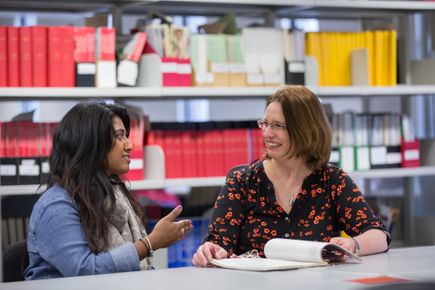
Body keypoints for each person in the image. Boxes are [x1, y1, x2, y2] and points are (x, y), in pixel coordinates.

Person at [192, 85, 390, 266]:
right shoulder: (242, 181)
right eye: (265, 123)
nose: (267, 133)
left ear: (306, 131)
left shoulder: (332, 180)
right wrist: (211, 250)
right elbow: (218, 242)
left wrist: (353, 244)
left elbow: (378, 236)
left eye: (278, 126)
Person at [25, 101, 192, 279]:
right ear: (91, 143)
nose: (129, 145)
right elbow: (84, 270)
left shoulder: (113, 195)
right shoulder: (56, 206)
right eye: (119, 136)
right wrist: (150, 243)